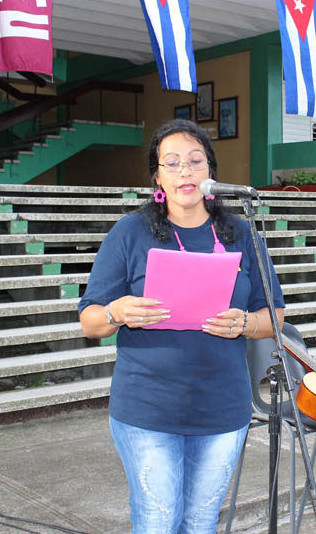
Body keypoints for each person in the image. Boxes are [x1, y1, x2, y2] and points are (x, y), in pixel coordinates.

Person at [78, 119, 285, 534]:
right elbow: (90, 321)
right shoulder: (130, 233)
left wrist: (245, 323)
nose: (185, 171)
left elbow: (274, 317)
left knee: (200, 522)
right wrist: (118, 311)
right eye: (171, 163)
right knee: (159, 521)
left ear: (211, 171)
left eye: (195, 161)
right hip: (147, 408)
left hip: (223, 408)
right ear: (157, 176)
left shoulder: (241, 234)